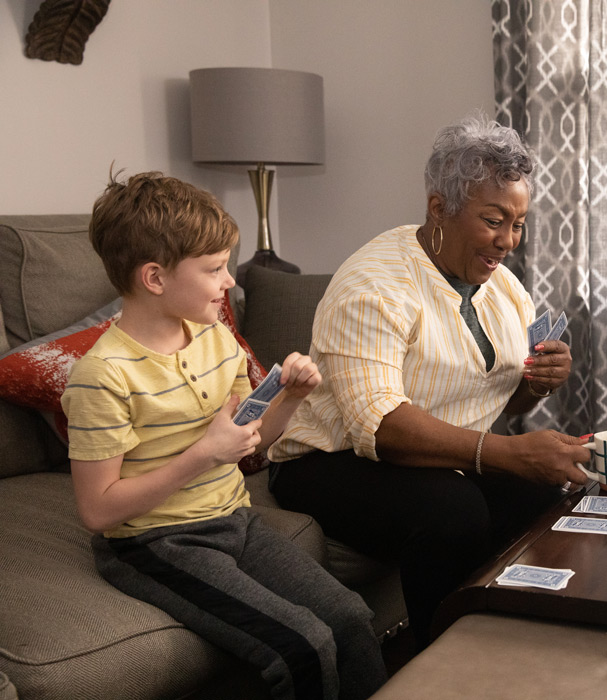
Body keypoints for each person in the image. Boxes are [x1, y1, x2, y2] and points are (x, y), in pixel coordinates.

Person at [268, 112, 593, 649]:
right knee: (453, 512)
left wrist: (534, 386)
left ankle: (523, 647)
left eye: (518, 223)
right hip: (328, 460)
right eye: (493, 221)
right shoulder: (372, 286)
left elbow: (493, 403)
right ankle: (436, 662)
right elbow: (383, 427)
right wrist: (510, 453)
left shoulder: (503, 287)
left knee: (543, 494)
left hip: (438, 454)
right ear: (439, 208)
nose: (509, 240)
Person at [60, 171, 388, 700]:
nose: (229, 281)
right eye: (214, 269)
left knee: (349, 617)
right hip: (155, 544)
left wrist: (293, 397)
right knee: (302, 645)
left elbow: (252, 445)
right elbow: (98, 512)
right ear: (155, 278)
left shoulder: (217, 338)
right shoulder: (103, 374)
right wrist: (202, 454)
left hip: (233, 519)